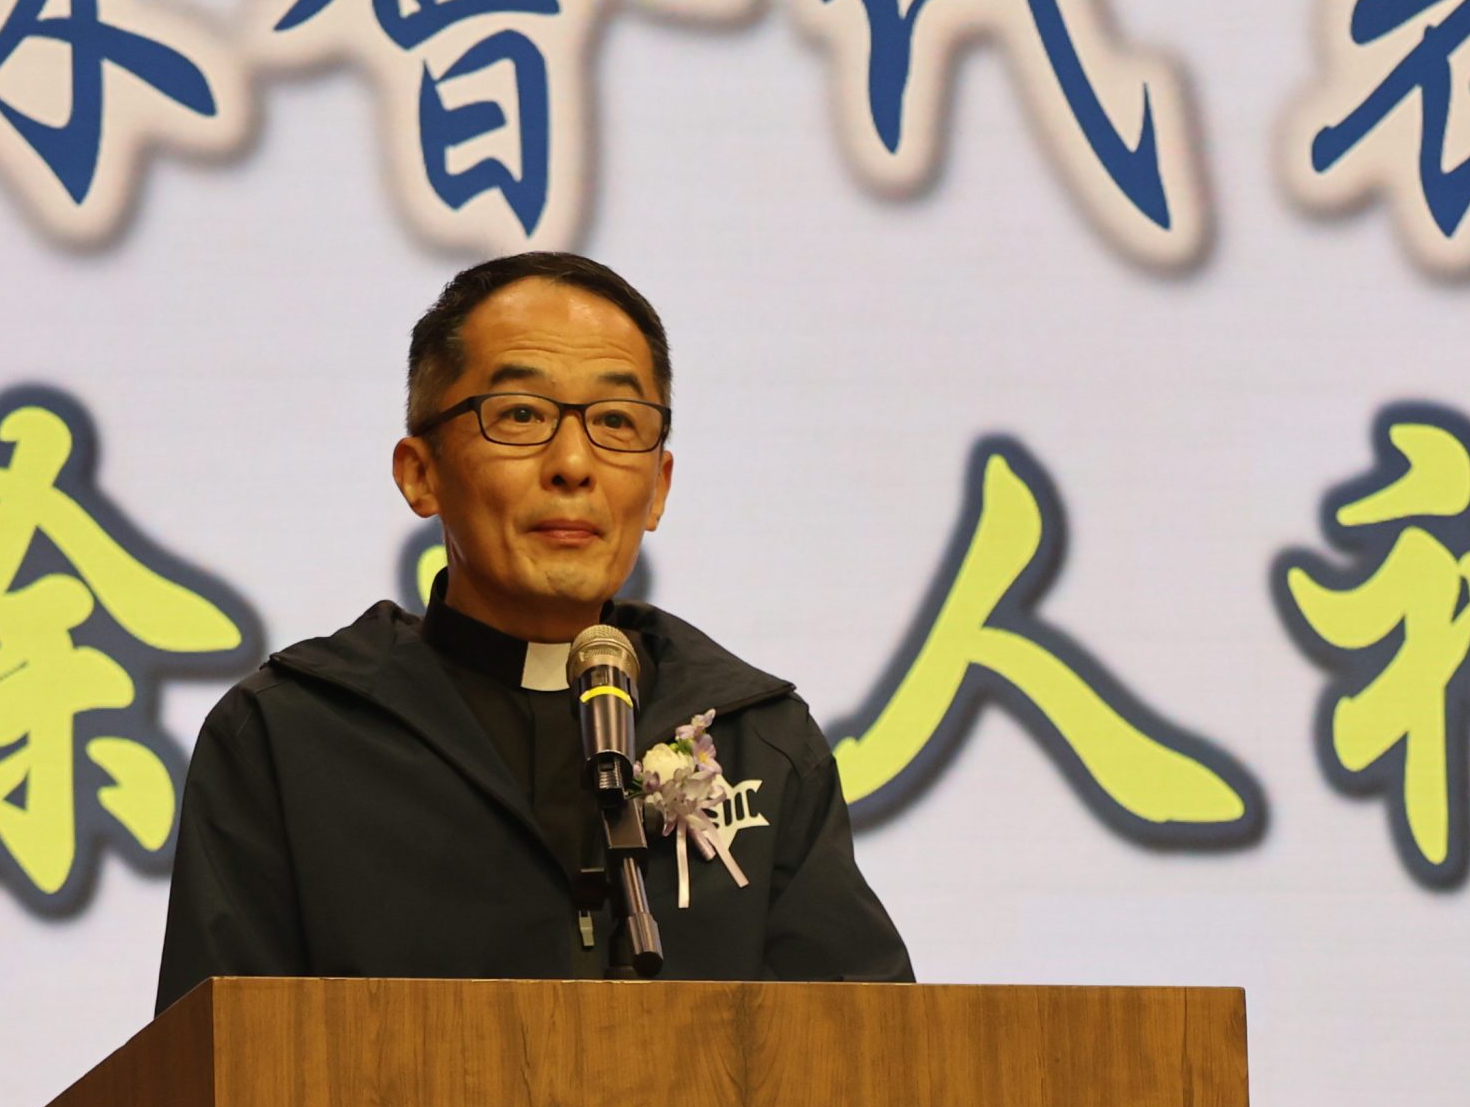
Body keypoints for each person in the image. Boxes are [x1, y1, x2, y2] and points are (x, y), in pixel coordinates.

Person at [155, 251, 913, 1001]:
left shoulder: (762, 741)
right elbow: (215, 1061)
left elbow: (869, 1051)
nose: (573, 464)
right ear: (421, 472)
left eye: (616, 421)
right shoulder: (289, 740)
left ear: (658, 488)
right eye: (521, 414)